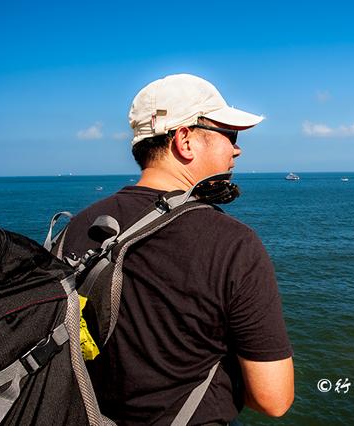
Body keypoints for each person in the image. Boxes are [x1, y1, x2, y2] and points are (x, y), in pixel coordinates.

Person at [62, 74, 294, 425]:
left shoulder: (74, 228)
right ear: (185, 140)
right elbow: (274, 399)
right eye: (229, 135)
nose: (237, 148)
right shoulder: (233, 244)